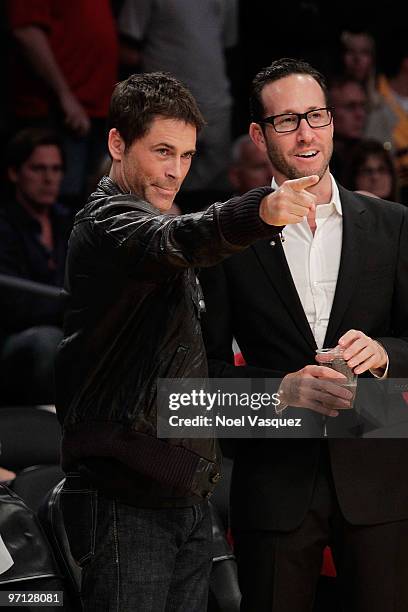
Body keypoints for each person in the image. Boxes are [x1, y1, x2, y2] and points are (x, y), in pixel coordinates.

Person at [55, 71, 351, 611]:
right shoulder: (110, 222)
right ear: (117, 144)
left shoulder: (157, 220)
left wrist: (279, 395)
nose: (175, 172)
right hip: (124, 498)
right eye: (162, 151)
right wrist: (260, 210)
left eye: (188, 155)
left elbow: (188, 388)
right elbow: (177, 236)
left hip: (185, 496)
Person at [200, 58, 408, 612]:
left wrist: (386, 353)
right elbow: (201, 380)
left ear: (334, 122)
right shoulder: (226, 237)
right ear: (258, 134)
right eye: (288, 120)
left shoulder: (393, 224)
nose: (307, 133)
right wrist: (280, 394)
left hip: (380, 483)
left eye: (316, 116)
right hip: (275, 490)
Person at [117, 0, 238, 210]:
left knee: (215, 192)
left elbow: (227, 44)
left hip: (216, 105)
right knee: (159, 183)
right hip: (163, 108)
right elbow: (126, 46)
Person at [7, 0, 118, 208]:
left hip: (97, 110)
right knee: (59, 203)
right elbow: (26, 31)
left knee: (95, 204)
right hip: (58, 112)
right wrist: (64, 95)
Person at [0, 127, 71, 406]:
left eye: (56, 169)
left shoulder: (69, 222)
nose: (49, 178)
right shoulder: (4, 227)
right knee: (48, 342)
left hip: (65, 329)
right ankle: (44, 431)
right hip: (16, 338)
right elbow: (15, 304)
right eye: (38, 169)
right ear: (14, 173)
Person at [328, 75, 368, 181]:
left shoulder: (371, 157)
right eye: (350, 107)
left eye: (362, 106)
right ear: (328, 113)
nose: (360, 114)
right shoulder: (318, 163)